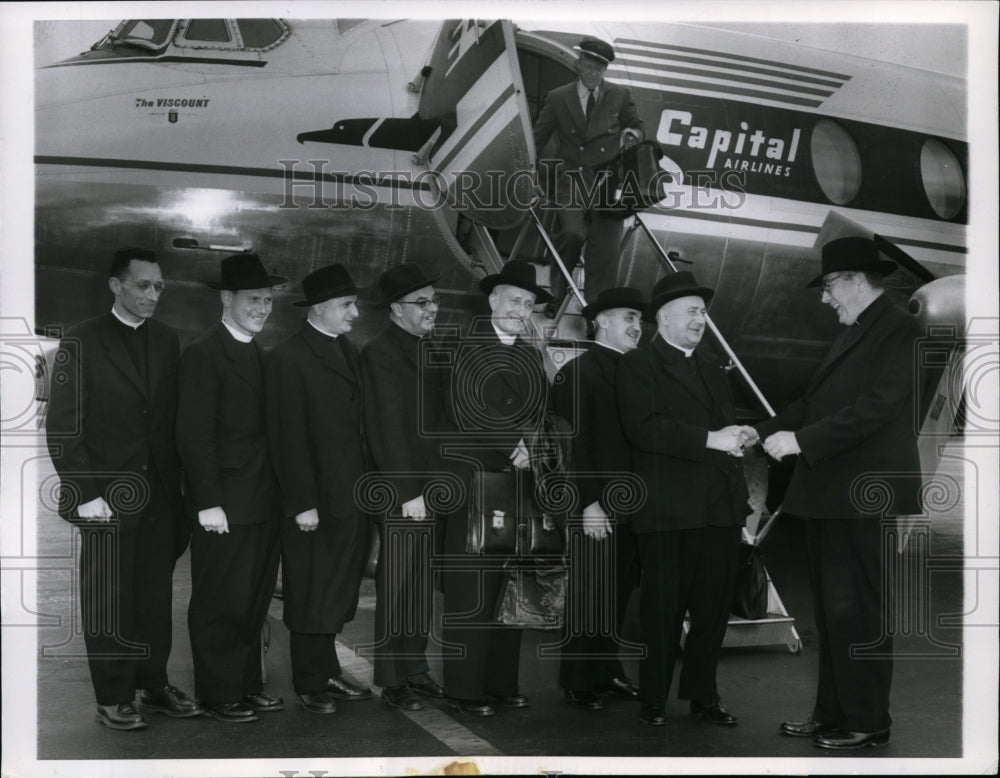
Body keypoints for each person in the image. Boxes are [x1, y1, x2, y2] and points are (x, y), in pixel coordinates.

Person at [755, 236, 922, 750]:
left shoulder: (898, 328)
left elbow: (879, 407)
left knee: (858, 611)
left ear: (855, 280)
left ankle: (868, 719)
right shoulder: (858, 329)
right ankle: (833, 713)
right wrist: (758, 430)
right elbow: (814, 402)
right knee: (832, 610)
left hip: (861, 495)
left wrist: (801, 441)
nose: (825, 299)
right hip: (832, 493)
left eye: (829, 287)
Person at [45, 247, 201, 731]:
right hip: (105, 498)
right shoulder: (81, 340)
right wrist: (86, 493)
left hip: (157, 496)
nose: (153, 295)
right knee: (109, 599)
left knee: (154, 597)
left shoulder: (167, 340)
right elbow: (65, 427)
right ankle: (113, 695)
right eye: (142, 286)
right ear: (116, 286)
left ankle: (152, 684)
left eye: (158, 287)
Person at [616, 271, 752, 727]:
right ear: (664, 318)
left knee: (712, 610)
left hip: (719, 508)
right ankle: (652, 696)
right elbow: (645, 429)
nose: (701, 319)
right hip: (668, 509)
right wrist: (712, 439)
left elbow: (723, 427)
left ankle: (703, 696)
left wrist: (738, 438)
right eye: (693, 311)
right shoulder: (639, 365)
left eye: (703, 311)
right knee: (663, 609)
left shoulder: (713, 364)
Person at [437, 259, 551, 717]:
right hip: (477, 483)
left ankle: (501, 683)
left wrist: (534, 447)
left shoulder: (527, 352)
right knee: (472, 589)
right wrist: (513, 445)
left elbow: (542, 409)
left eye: (527, 304)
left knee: (510, 587)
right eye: (514, 301)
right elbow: (464, 407)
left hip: (516, 485)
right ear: (492, 302)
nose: (520, 310)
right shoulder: (462, 344)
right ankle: (463, 690)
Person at [176, 253, 285, 723]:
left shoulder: (258, 354)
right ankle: (219, 692)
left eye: (266, 300)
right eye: (253, 299)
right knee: (220, 599)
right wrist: (208, 502)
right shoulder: (204, 352)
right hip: (225, 504)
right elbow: (193, 434)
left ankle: (246, 684)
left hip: (261, 500)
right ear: (226, 299)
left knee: (253, 598)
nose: (262, 308)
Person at [266, 264, 373, 715]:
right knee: (311, 588)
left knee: (335, 588)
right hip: (316, 500)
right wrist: (302, 503)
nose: (355, 312)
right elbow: (286, 438)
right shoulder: (289, 358)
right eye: (348, 305)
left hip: (348, 495)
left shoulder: (343, 348)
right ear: (322, 308)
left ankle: (327, 669)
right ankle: (309, 680)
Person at [360, 264, 452, 711]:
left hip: (429, 488)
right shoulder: (380, 353)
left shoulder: (427, 347)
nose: (432, 309)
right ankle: (392, 678)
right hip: (404, 491)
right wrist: (407, 492)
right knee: (397, 585)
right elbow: (385, 429)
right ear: (397, 309)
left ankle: (415, 669)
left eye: (434, 301)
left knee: (419, 584)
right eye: (422, 303)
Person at [551, 287, 645, 710]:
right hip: (596, 507)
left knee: (617, 593)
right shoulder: (578, 372)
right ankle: (578, 678)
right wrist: (587, 503)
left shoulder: (638, 372)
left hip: (633, 507)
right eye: (628, 317)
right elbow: (572, 446)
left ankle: (608, 671)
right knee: (589, 594)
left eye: (640, 320)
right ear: (602, 321)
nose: (637, 327)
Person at [533, 35, 644, 312]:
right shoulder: (558, 98)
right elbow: (536, 138)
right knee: (571, 235)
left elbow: (638, 126)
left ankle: (595, 312)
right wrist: (529, 175)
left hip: (607, 183)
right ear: (579, 64)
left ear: (605, 70)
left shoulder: (621, 96)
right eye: (589, 67)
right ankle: (557, 295)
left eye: (600, 68)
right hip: (571, 180)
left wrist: (633, 133)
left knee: (604, 252)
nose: (594, 73)